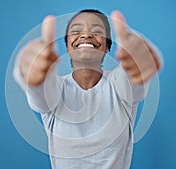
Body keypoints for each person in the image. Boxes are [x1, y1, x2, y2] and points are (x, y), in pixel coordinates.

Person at [13, 9, 162, 169]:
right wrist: (28, 73)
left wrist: (142, 61)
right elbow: (40, 95)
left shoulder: (118, 84)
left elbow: (134, 83)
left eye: (97, 31)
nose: (86, 35)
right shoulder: (56, 88)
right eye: (76, 31)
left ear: (107, 46)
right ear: (67, 45)